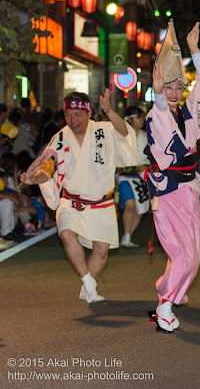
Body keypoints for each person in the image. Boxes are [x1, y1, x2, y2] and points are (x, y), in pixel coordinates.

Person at [145, 20, 200, 333]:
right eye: (170, 87)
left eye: (179, 87)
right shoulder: (159, 113)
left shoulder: (188, 112)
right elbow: (160, 97)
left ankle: (168, 285)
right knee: (182, 254)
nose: (176, 92)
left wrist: (194, 49)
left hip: (190, 189)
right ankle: (164, 305)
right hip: (167, 192)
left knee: (191, 254)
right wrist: (158, 79)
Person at [20, 90, 139, 303]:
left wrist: (110, 111)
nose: (72, 119)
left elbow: (125, 133)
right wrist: (34, 179)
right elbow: (48, 166)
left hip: (102, 202)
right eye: (68, 115)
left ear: (88, 112)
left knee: (101, 251)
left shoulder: (103, 129)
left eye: (77, 114)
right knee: (66, 234)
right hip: (72, 201)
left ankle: (88, 285)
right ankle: (87, 282)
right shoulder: (60, 137)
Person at [116, 106, 150, 247]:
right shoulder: (122, 137)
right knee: (130, 205)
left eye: (142, 117)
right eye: (138, 117)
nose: (141, 120)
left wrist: (145, 167)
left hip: (141, 177)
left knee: (140, 210)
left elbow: (150, 158)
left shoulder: (145, 136)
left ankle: (127, 236)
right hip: (124, 176)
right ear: (130, 119)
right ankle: (126, 236)